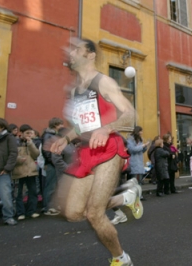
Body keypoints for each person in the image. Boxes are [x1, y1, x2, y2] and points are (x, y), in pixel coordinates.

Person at [50, 38, 142, 266]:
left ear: (90, 55)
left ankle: (120, 258)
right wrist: (66, 138)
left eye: (76, 49)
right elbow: (82, 125)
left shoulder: (104, 82)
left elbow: (130, 115)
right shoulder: (74, 91)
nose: (71, 53)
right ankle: (126, 197)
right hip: (85, 152)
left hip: (110, 149)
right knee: (72, 213)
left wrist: (107, 127)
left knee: (94, 213)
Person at [12, 124, 40, 220]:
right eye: (27, 133)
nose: (29, 135)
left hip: (31, 171)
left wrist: (30, 143)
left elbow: (36, 154)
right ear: (21, 133)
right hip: (18, 171)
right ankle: (20, 213)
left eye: (31, 133)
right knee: (18, 193)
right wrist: (18, 159)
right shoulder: (15, 142)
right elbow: (11, 156)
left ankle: (31, 211)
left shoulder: (33, 142)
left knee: (32, 192)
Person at [41, 117, 64, 215]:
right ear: (55, 125)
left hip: (53, 164)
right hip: (52, 165)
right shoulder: (49, 136)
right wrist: (53, 161)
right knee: (51, 186)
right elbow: (47, 151)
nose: (62, 126)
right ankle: (48, 207)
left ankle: (52, 205)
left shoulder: (52, 135)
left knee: (54, 185)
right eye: (60, 124)